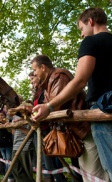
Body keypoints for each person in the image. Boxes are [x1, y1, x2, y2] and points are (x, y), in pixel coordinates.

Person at [32, 7, 112, 181]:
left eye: (81, 29)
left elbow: (80, 80)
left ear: (90, 21)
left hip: (102, 111)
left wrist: (49, 106)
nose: (82, 35)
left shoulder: (91, 42)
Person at [29, 69, 68, 182]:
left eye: (33, 78)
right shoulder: (36, 94)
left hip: (47, 130)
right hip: (39, 130)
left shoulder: (45, 91)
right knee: (45, 161)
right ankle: (51, 179)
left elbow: (48, 108)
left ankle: (60, 179)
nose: (31, 82)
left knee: (51, 161)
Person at [0, 110, 14, 181]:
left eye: (2, 115)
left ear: (5, 116)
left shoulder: (8, 122)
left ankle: (10, 176)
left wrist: (6, 124)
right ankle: (7, 174)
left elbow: (11, 131)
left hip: (8, 144)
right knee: (5, 160)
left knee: (8, 160)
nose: (0, 117)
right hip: (1, 145)